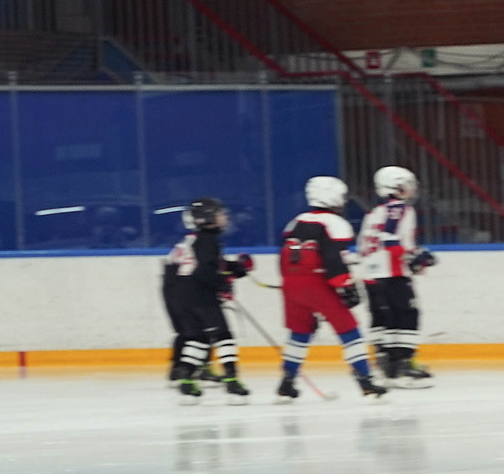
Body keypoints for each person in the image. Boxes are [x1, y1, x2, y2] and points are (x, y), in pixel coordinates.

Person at [276, 176, 385, 401]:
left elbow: (285, 256)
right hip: (319, 284)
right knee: (349, 330)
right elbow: (333, 259)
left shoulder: (295, 222)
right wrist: (346, 286)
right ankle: (366, 382)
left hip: (291, 285)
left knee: (299, 333)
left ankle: (287, 383)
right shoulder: (334, 223)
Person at [161, 197, 253, 400]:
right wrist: (222, 284)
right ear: (207, 219)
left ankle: (186, 377)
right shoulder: (208, 240)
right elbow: (205, 271)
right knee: (223, 335)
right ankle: (232, 379)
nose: (224, 217)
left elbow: (204, 266)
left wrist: (235, 268)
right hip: (200, 296)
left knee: (198, 338)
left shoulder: (190, 241)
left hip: (181, 297)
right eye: (219, 214)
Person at [357, 165, 435, 386]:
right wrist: (413, 257)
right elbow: (389, 238)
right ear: (395, 187)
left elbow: (364, 246)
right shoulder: (400, 208)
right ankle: (402, 366)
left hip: (370, 274)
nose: (411, 189)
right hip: (391, 273)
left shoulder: (373, 214)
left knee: (382, 317)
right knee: (406, 314)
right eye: (407, 185)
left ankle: (385, 364)